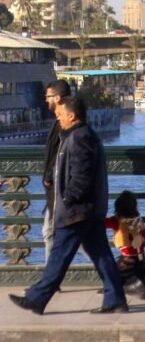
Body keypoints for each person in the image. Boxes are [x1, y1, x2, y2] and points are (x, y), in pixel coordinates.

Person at [9, 97, 127, 314]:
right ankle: (115, 298)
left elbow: (82, 175)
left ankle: (37, 297)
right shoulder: (81, 135)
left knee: (59, 256)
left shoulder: (79, 137)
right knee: (101, 255)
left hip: (77, 211)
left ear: (72, 116)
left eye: (61, 115)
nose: (58, 118)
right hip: (88, 209)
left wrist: (68, 198)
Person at [104, 190, 145, 306]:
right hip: (140, 255)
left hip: (127, 258)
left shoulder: (117, 220)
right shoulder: (138, 219)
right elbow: (143, 234)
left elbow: (104, 223)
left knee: (114, 275)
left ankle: (115, 296)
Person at [41, 79, 72, 262]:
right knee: (50, 232)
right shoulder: (59, 122)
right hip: (54, 189)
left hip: (59, 189)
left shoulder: (65, 123)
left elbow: (62, 153)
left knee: (51, 232)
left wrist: (49, 175)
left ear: (58, 97)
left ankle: (49, 279)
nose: (46, 100)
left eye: (48, 96)